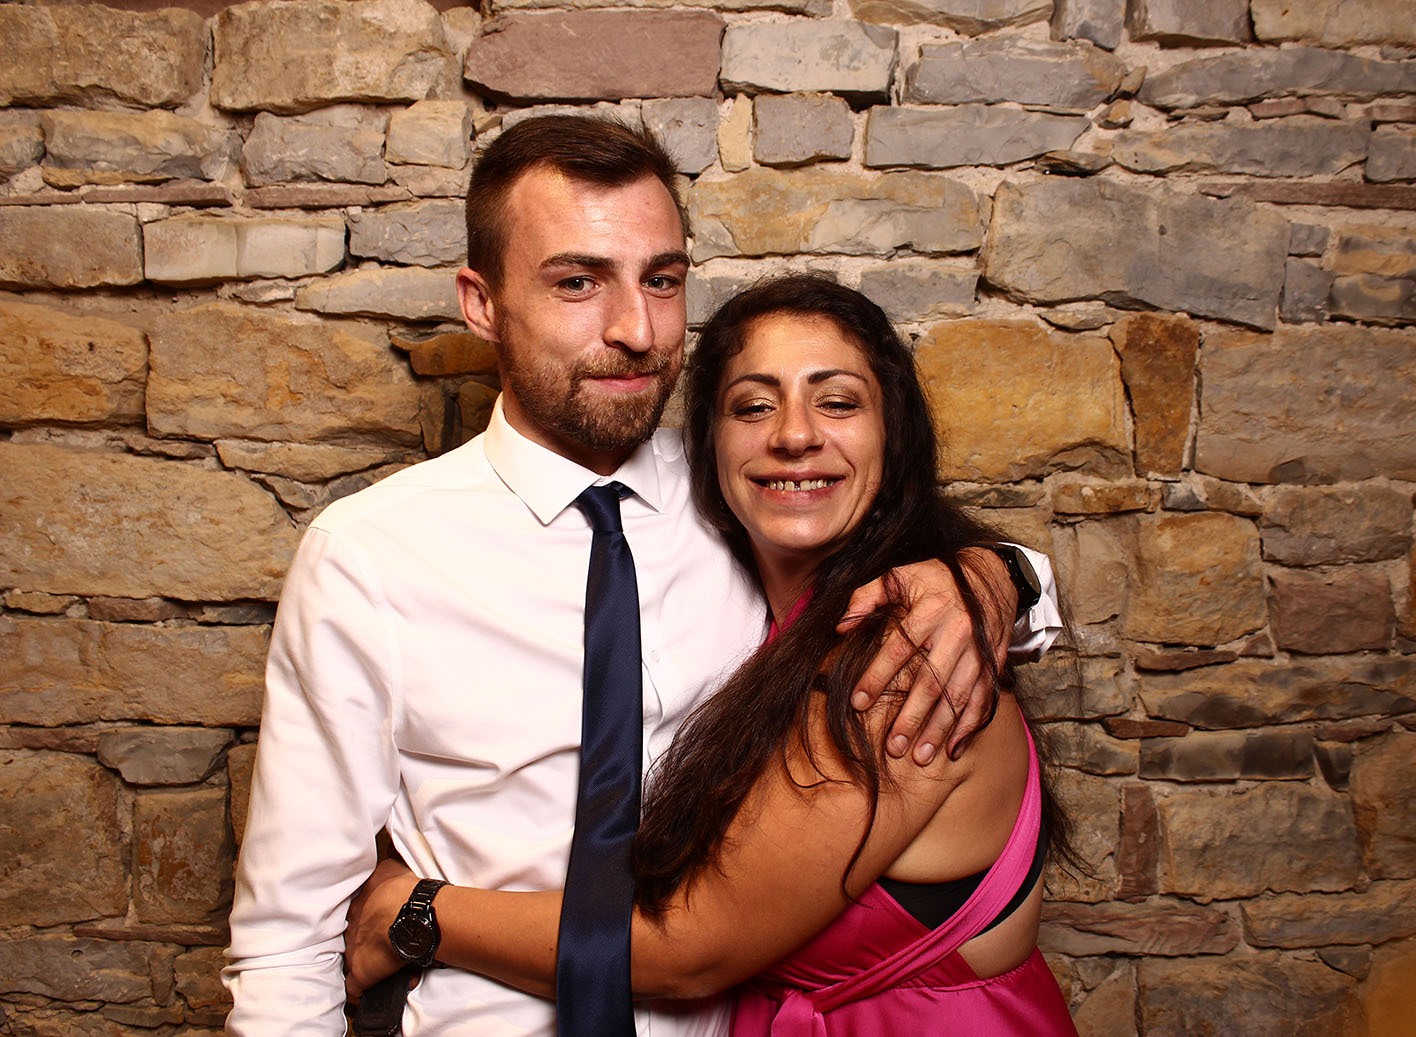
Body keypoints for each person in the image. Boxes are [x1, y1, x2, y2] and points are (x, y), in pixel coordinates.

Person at [223, 115, 1058, 1036]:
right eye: (578, 282)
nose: (636, 329)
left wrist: (997, 579)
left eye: (661, 280)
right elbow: (287, 940)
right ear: (481, 302)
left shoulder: (743, 496)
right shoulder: (369, 555)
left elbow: (882, 537)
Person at [341, 275, 1078, 1035]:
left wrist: (415, 911)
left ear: (894, 435)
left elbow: (688, 949)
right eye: (753, 406)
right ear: (708, 447)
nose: (794, 435)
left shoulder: (903, 663)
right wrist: (1002, 570)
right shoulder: (774, 618)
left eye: (837, 402)